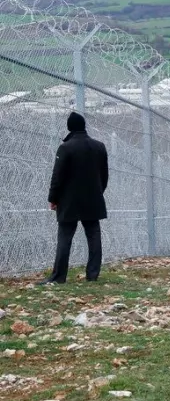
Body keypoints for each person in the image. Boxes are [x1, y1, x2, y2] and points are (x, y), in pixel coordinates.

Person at [39, 112, 109, 285]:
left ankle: (59, 277)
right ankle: (92, 275)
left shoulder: (65, 148)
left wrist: (53, 198)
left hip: (68, 201)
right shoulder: (99, 147)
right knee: (93, 236)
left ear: (69, 127)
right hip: (93, 199)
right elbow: (104, 176)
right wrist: (98, 192)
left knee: (65, 238)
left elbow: (57, 177)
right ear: (84, 126)